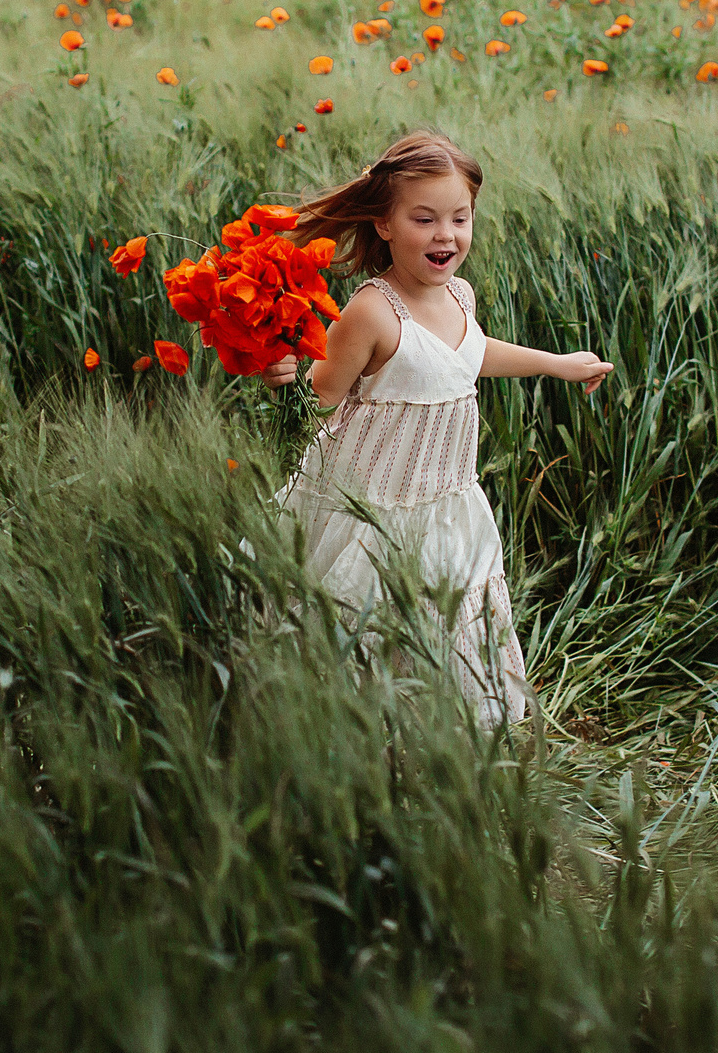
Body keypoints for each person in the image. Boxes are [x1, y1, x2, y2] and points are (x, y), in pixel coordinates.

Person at [262, 129, 611, 725]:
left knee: (444, 622)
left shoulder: (459, 295)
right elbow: (320, 397)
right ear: (384, 223)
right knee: (359, 621)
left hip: (445, 503)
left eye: (460, 218)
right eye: (424, 219)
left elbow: (469, 356)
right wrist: (282, 374)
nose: (445, 234)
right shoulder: (372, 311)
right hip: (370, 502)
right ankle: (346, 734)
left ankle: (437, 737)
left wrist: (557, 364)